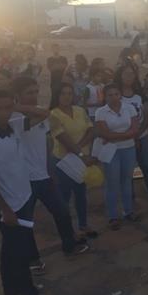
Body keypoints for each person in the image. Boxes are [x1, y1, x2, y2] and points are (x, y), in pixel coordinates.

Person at [0, 88, 67, 295]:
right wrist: (5, 210)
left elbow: (44, 114)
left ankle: (11, 289)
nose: (3, 112)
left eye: (8, 107)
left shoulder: (13, 127)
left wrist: (16, 107)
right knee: (21, 252)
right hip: (7, 205)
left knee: (10, 248)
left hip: (22, 197)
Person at [11, 77, 88, 266]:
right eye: (29, 92)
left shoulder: (39, 112)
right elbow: (45, 114)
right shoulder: (14, 117)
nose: (34, 95)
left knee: (62, 212)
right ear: (17, 95)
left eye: (36, 91)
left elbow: (46, 142)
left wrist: (50, 169)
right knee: (26, 221)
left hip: (43, 175)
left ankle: (69, 246)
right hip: (24, 179)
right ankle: (34, 260)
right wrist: (17, 106)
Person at [49, 83, 97, 238]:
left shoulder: (80, 110)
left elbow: (91, 130)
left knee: (81, 194)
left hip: (81, 158)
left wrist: (80, 149)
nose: (67, 96)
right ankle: (68, 229)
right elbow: (63, 138)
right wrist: (81, 154)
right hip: (63, 161)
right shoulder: (53, 115)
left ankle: (83, 224)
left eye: (69, 93)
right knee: (64, 196)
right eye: (63, 93)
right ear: (57, 95)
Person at [95, 83, 140, 230]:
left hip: (128, 148)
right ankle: (113, 216)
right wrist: (126, 135)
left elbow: (135, 129)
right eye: (110, 95)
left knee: (127, 180)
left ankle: (128, 211)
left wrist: (115, 136)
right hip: (111, 150)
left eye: (116, 94)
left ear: (120, 95)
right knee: (112, 182)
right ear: (105, 97)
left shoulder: (129, 108)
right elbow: (104, 133)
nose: (114, 97)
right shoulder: (101, 112)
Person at [116, 64, 148, 200]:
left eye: (132, 74)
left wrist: (138, 134)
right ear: (120, 76)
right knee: (127, 170)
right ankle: (130, 197)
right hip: (124, 139)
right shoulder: (116, 95)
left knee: (147, 166)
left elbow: (147, 116)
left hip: (142, 136)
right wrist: (130, 136)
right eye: (126, 74)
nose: (129, 77)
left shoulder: (139, 95)